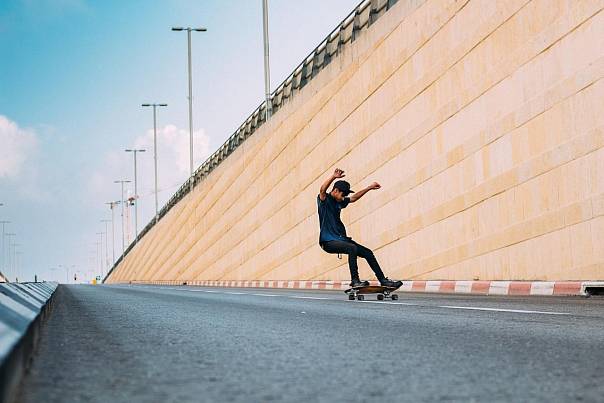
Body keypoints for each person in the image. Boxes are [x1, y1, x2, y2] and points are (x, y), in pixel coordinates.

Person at [317, 168, 403, 288]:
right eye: (343, 194)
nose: (344, 197)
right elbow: (322, 189)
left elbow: (354, 198)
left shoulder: (339, 201)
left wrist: (369, 188)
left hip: (341, 239)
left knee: (368, 253)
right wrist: (333, 177)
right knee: (352, 248)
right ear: (335, 191)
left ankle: (383, 280)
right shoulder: (324, 200)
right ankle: (355, 280)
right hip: (328, 241)